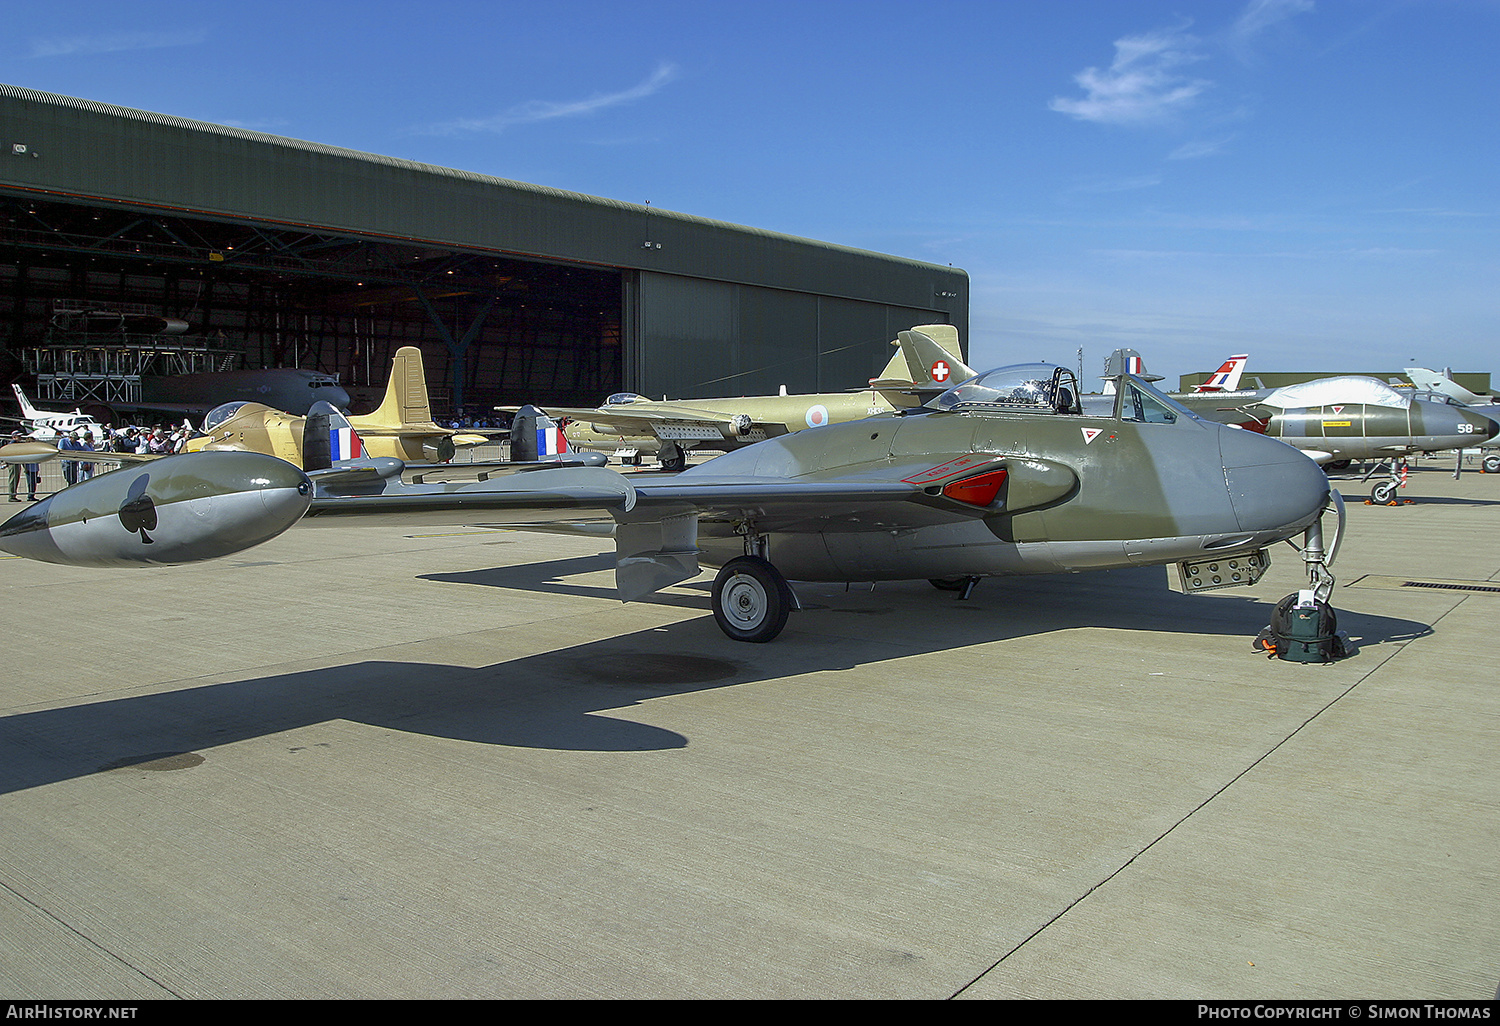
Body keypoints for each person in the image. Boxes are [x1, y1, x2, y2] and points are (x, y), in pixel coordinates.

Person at [7, 429, 22, 501]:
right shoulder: (12, 444)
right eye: (18, 436)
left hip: (16, 462)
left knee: (16, 479)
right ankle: (11, 496)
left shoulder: (16, 444)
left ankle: (13, 495)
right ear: (14, 437)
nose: (20, 437)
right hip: (13, 463)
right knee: (13, 479)